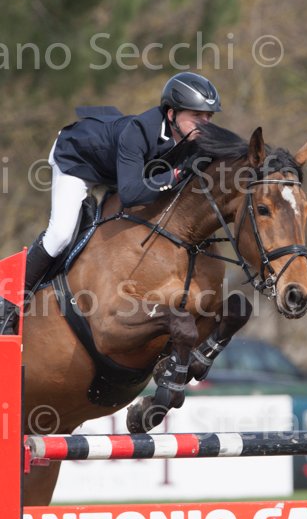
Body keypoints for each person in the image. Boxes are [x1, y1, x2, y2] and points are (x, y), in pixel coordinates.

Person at [0, 71, 221, 334]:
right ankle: (7, 303)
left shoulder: (191, 137)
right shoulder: (138, 132)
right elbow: (130, 194)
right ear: (172, 114)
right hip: (78, 161)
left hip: (118, 171)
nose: (205, 123)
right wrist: (175, 175)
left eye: (209, 116)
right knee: (60, 234)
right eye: (197, 116)